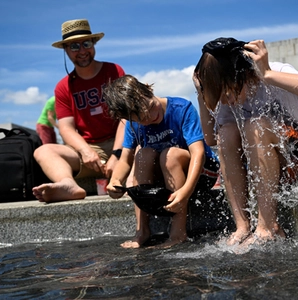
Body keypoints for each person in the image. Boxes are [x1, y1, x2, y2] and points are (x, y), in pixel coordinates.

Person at [193, 38, 298, 246]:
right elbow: (211, 139)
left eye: (229, 92)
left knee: (255, 125)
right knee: (226, 133)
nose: (227, 101)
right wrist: (202, 94)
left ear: (245, 74)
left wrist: (269, 74)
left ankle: (267, 227)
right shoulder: (227, 96)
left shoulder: (273, 72)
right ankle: (243, 225)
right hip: (280, 166)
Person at [103, 75, 220, 249]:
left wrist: (186, 191)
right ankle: (142, 230)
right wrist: (115, 181)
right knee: (143, 155)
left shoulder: (181, 108)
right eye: (142, 119)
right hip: (167, 177)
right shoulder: (133, 125)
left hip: (202, 173)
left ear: (149, 90)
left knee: (170, 155)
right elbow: (126, 159)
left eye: (151, 107)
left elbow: (198, 153)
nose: (151, 117)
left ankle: (178, 232)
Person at [32, 19, 126, 203]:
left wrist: (117, 153)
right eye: (74, 46)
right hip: (90, 149)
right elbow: (66, 127)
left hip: (121, 142)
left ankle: (126, 179)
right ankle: (68, 184)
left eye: (86, 44)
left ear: (94, 44)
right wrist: (86, 151)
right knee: (43, 151)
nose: (82, 51)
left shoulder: (113, 71)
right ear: (66, 50)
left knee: (144, 146)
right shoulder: (63, 86)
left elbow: (126, 117)